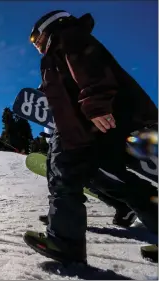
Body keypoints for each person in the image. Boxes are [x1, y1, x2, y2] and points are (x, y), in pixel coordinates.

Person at [23, 10, 158, 264]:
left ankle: (65, 243)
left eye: (35, 36)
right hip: (95, 126)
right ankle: (67, 238)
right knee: (117, 179)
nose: (35, 43)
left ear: (47, 26)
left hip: (89, 124)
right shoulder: (64, 44)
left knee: (64, 175)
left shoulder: (67, 36)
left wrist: (96, 104)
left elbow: (88, 66)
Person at [38, 128, 137, 228]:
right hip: (61, 136)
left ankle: (64, 215)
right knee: (70, 178)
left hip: (73, 136)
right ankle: (60, 213)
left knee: (80, 177)